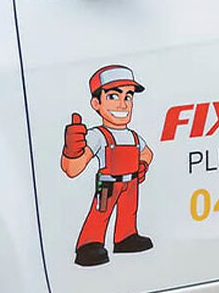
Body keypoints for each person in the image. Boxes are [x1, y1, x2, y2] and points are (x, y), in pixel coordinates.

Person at [61, 65, 155, 268]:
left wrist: (143, 165)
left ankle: (126, 237)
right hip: (108, 184)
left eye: (128, 97)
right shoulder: (97, 136)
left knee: (129, 212)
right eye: (113, 96)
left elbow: (147, 153)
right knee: (100, 213)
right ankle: (89, 244)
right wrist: (72, 150)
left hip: (131, 183)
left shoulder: (133, 136)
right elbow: (73, 169)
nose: (122, 104)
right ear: (96, 103)